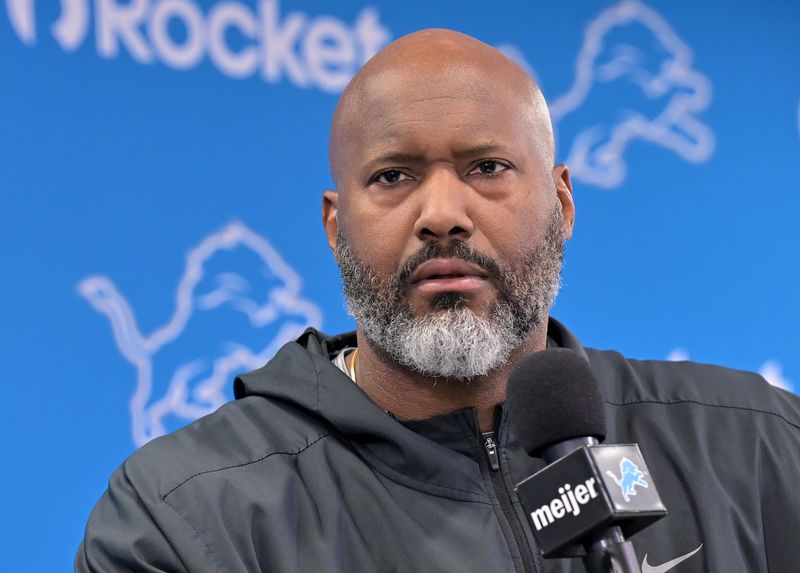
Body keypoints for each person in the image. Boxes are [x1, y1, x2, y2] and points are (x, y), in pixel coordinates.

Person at [76, 29, 800, 573]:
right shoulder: (185, 514)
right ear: (336, 227)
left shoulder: (760, 446)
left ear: (561, 202)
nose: (443, 213)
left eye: (488, 167)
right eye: (394, 177)